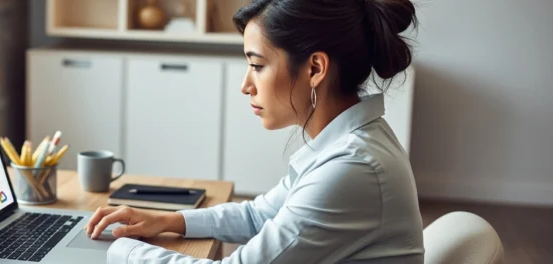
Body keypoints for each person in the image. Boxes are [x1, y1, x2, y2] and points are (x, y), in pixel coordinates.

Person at [86, 0, 423, 263]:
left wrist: (120, 252)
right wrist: (168, 221)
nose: (245, 85)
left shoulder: (352, 167)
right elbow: (260, 214)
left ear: (315, 68)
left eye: (257, 65)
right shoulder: (346, 145)